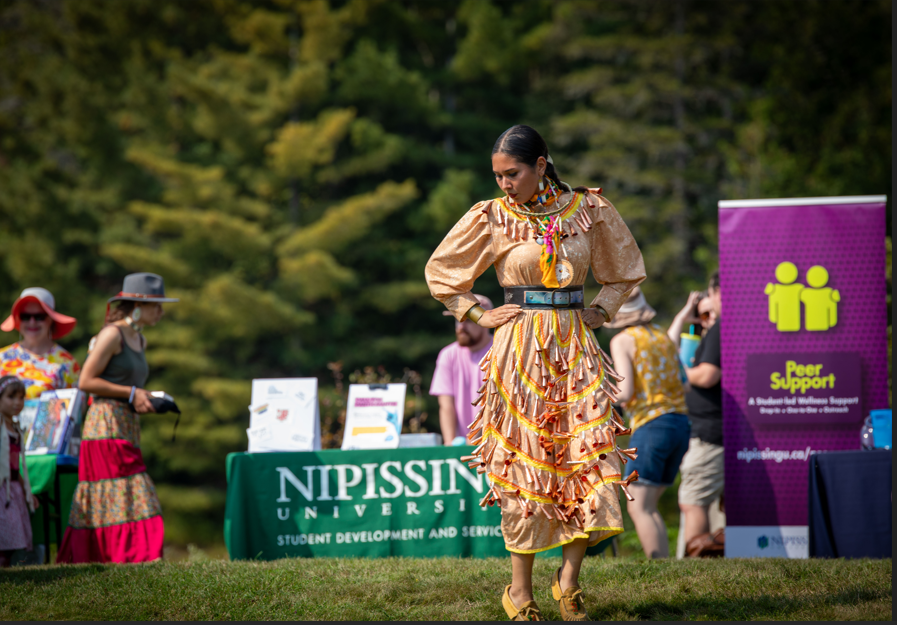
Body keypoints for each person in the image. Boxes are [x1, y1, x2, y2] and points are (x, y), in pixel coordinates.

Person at [426, 125, 645, 621]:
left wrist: (602, 310)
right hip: (520, 349)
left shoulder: (590, 210)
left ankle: (567, 583)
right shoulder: (493, 215)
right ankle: (519, 592)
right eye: (498, 175)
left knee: (588, 460)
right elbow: (442, 270)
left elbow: (626, 270)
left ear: (541, 165)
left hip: (575, 348)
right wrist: (478, 314)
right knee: (526, 468)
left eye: (514, 173)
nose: (505, 183)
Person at [56, 273, 178, 564]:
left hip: (126, 424)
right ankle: (140, 556)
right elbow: (86, 380)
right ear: (137, 304)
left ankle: (118, 557)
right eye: (156, 305)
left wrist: (143, 400)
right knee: (134, 489)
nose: (161, 311)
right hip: (104, 425)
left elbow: (125, 389)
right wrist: (132, 392)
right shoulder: (113, 334)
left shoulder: (141, 339)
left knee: (121, 492)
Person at [606, 287, 689, 559]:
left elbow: (626, 392)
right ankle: (663, 564)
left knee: (637, 505)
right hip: (679, 424)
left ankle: (657, 563)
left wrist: (600, 391)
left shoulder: (623, 340)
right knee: (649, 505)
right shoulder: (661, 336)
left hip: (651, 425)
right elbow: (683, 381)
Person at [678, 271, 724, 554]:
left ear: (719, 292)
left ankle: (696, 569)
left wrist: (679, 371)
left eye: (710, 295)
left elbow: (707, 376)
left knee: (692, 499)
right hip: (716, 429)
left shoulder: (722, 328)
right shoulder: (718, 330)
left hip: (711, 433)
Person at [430, 294, 495, 446]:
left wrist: (474, 438)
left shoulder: (500, 351)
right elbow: (446, 405)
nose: (461, 326)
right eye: (457, 320)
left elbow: (499, 403)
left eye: (467, 320)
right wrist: (450, 444)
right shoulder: (448, 355)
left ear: (486, 322)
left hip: (497, 444)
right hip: (463, 445)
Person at [0, 288, 80, 399]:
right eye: (25, 317)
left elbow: (73, 410)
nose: (32, 322)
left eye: (39, 317)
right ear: (18, 320)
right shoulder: (2, 357)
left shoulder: (67, 364)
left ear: (50, 319)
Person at [0, 376, 38, 567]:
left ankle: (11, 570)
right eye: (11, 397)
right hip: (2, 491)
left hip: (13, 490)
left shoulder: (16, 429)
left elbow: (15, 467)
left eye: (21, 397)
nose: (17, 402)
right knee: (7, 531)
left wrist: (26, 492)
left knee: (15, 535)